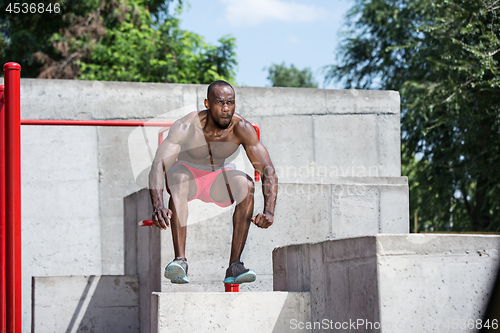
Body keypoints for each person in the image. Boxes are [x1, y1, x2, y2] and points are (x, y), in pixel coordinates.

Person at [149, 80, 278, 285]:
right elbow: (158, 165)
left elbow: (268, 170)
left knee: (247, 185)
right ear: (207, 103)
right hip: (187, 175)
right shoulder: (187, 125)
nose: (226, 109)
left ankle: (235, 265)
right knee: (179, 178)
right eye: (220, 103)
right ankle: (180, 261)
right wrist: (158, 206)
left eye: (230, 102)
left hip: (217, 178)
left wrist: (269, 211)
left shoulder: (241, 128)